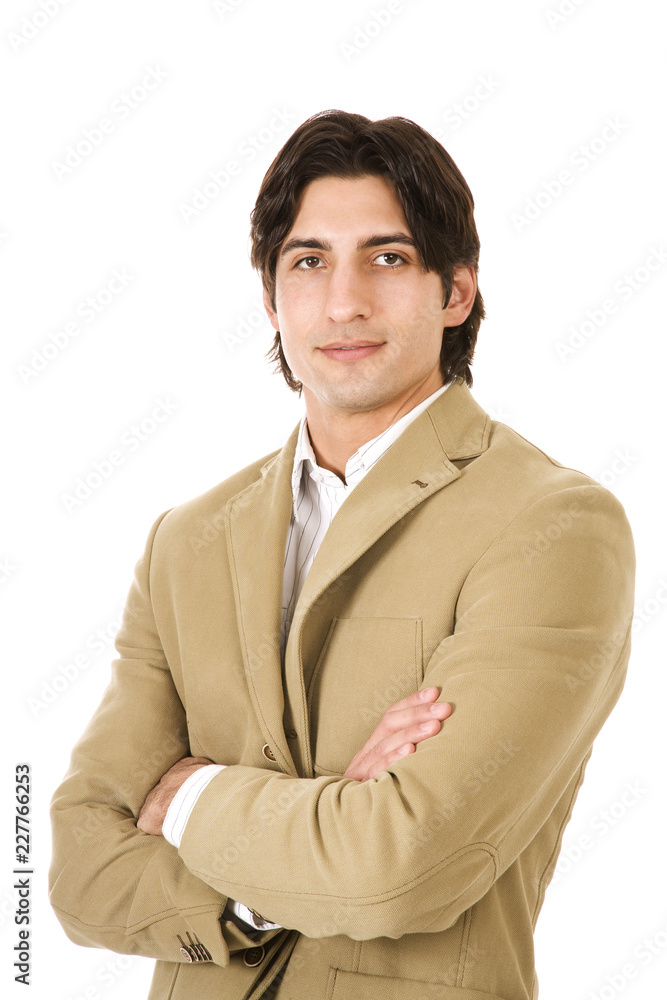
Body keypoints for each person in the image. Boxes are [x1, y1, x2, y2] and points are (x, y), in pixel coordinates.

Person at [49, 109, 635, 1000]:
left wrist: (191, 796)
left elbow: (398, 867)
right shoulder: (185, 541)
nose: (343, 302)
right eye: (308, 261)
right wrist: (300, 850)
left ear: (456, 291)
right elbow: (77, 875)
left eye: (387, 258)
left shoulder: (551, 526)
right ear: (270, 298)